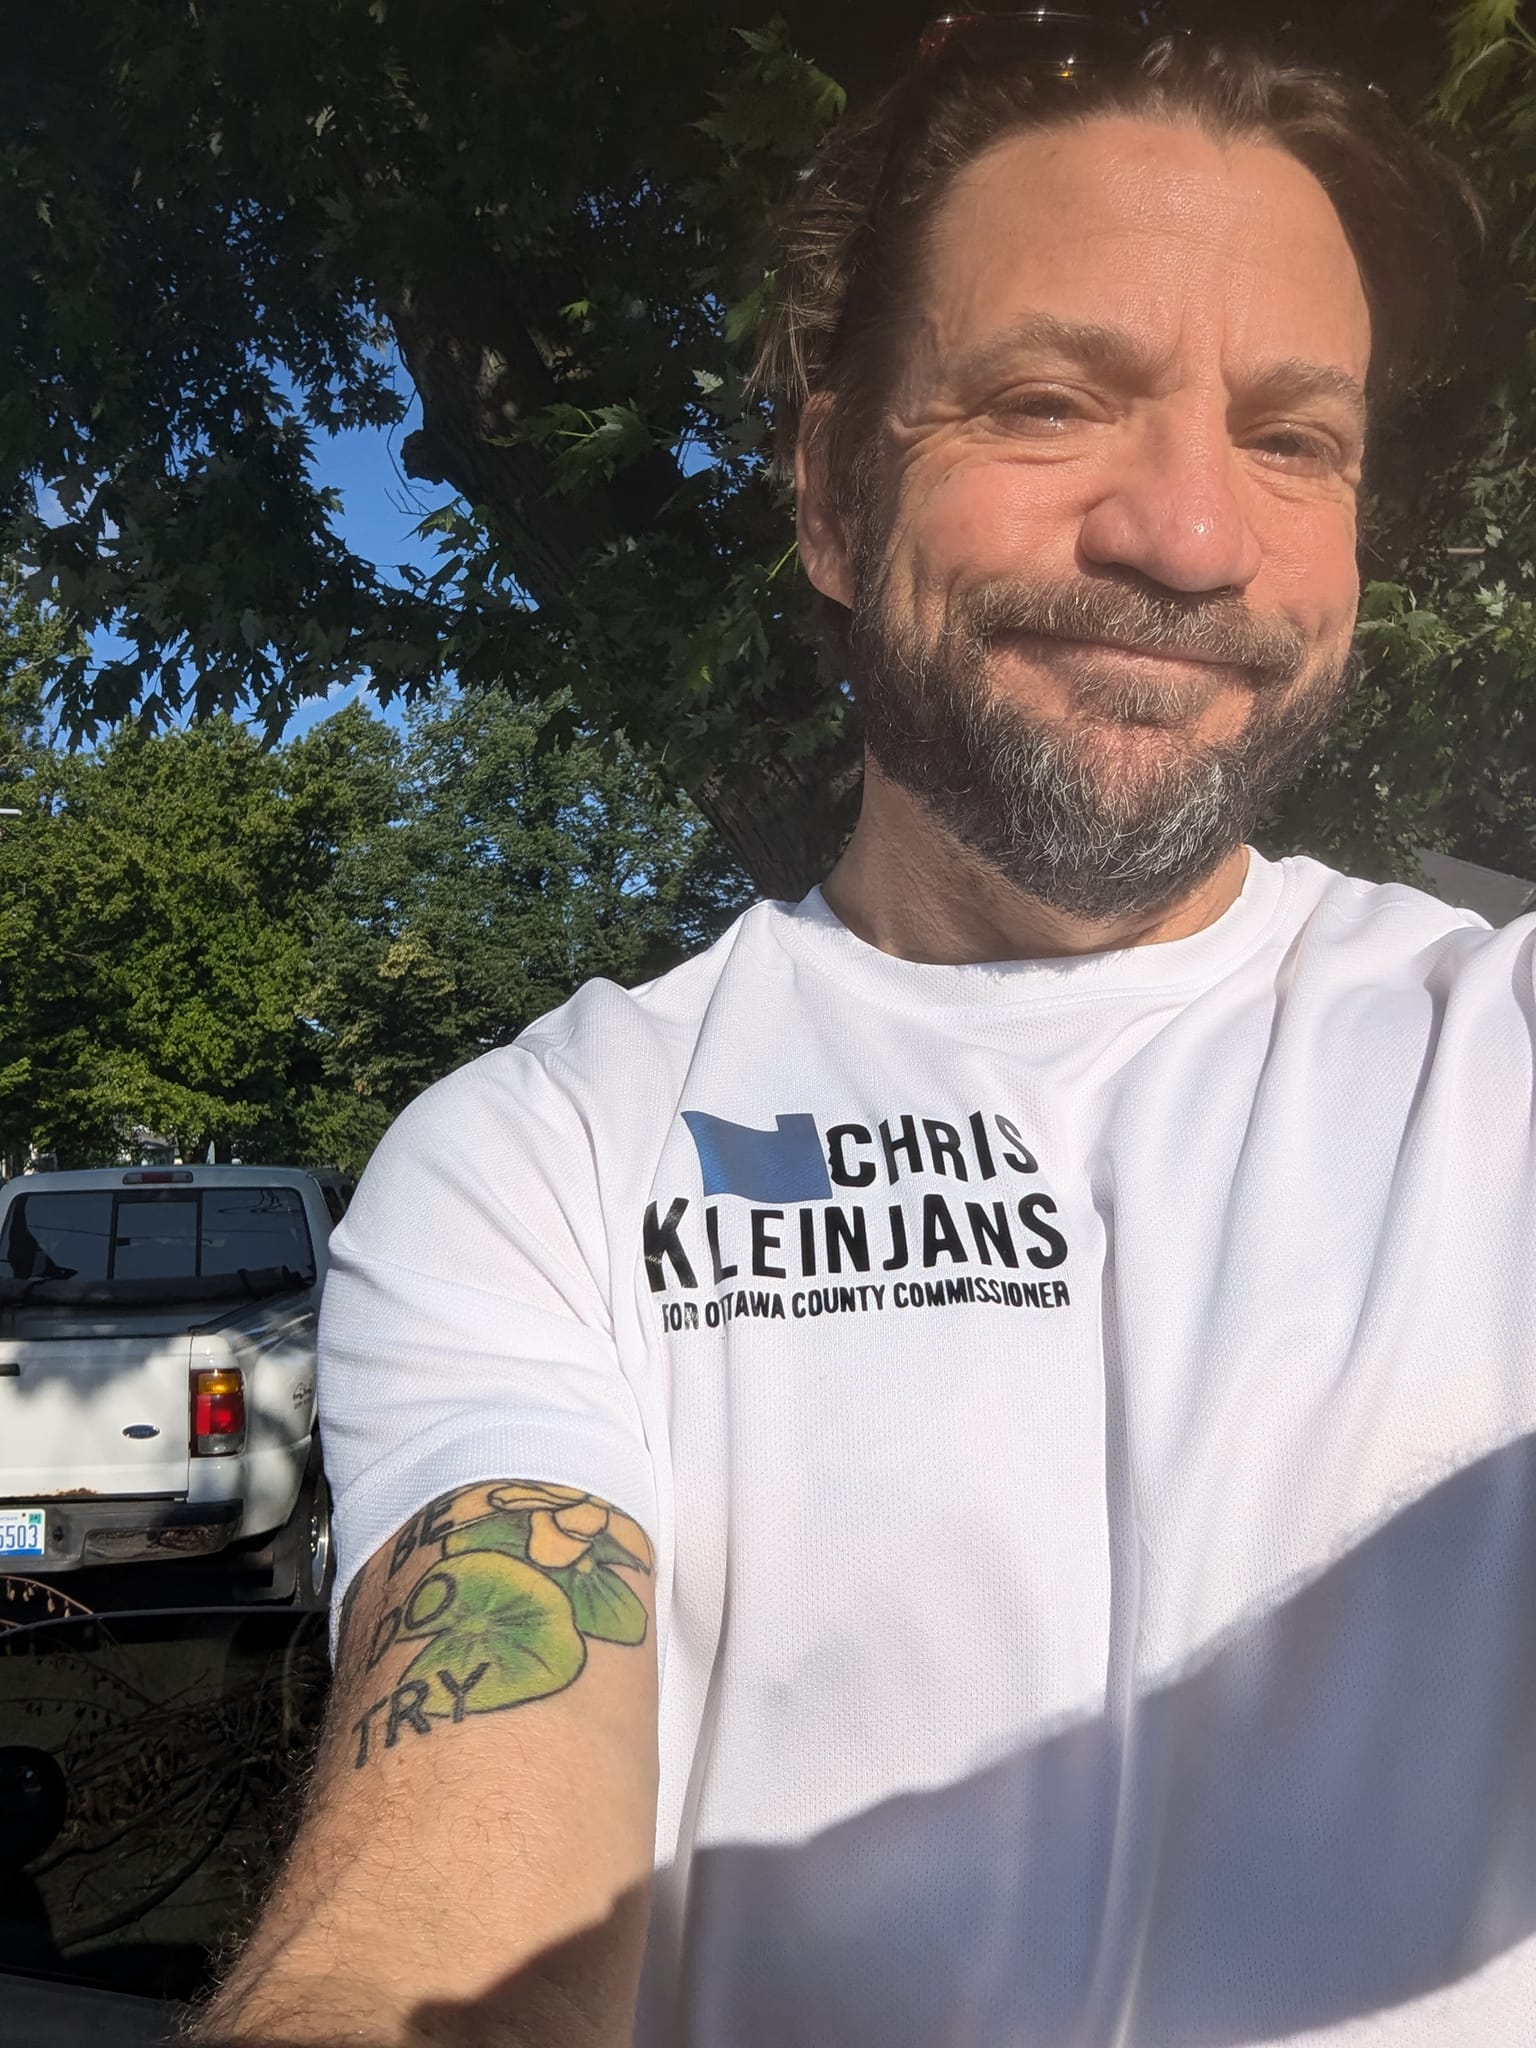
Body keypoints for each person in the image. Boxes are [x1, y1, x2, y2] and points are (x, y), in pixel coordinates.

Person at [195, 20, 1536, 2048]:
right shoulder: (548, 1161)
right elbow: (441, 1933)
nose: (1189, 537)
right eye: (1050, 402)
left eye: (1293, 439)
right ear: (831, 492)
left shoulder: (1497, 1057)